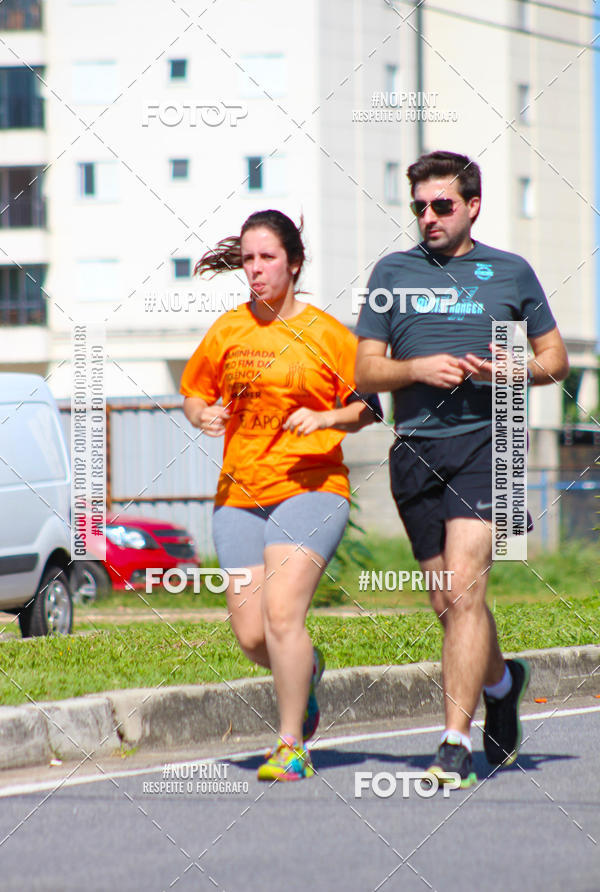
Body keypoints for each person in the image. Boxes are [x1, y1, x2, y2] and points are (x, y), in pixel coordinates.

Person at [355, 151, 569, 788]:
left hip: (490, 441)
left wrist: (510, 370)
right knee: (448, 600)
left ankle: (454, 740)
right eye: (419, 206)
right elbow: (366, 371)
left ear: (473, 206)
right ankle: (503, 682)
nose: (428, 217)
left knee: (467, 587)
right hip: (416, 448)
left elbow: (554, 359)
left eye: (441, 205)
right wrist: (416, 369)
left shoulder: (510, 273)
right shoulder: (391, 272)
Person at [181, 209, 380, 781]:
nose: (256, 270)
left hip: (311, 489)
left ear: (293, 263)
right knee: (250, 635)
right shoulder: (229, 330)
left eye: (267, 258)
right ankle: (308, 671)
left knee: (282, 614)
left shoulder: (327, 334)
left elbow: (369, 406)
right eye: (247, 259)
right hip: (239, 492)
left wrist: (326, 418)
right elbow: (194, 393)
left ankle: (291, 743)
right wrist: (204, 415)